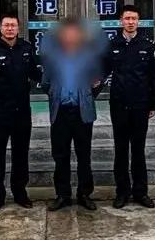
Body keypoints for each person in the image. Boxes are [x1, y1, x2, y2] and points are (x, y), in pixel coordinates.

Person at [0, 13, 41, 212]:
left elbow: (36, 73)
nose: (10, 29)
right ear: (0, 28)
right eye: (6, 25)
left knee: (21, 154)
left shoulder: (26, 48)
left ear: (18, 28)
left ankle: (20, 192)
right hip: (0, 113)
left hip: (22, 111)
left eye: (13, 25)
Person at [40, 18, 105, 212]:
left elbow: (98, 81)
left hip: (82, 113)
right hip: (60, 113)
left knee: (84, 156)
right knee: (60, 156)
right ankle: (63, 195)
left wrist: (86, 95)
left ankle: (84, 194)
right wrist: (56, 95)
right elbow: (45, 83)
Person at [103, 4, 155, 209]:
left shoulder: (147, 45)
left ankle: (140, 192)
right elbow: (102, 71)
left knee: (138, 150)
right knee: (120, 150)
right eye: (127, 18)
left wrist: (153, 103)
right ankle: (122, 193)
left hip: (140, 105)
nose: (130, 22)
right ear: (121, 21)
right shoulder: (112, 45)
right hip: (119, 105)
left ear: (138, 21)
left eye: (134, 19)